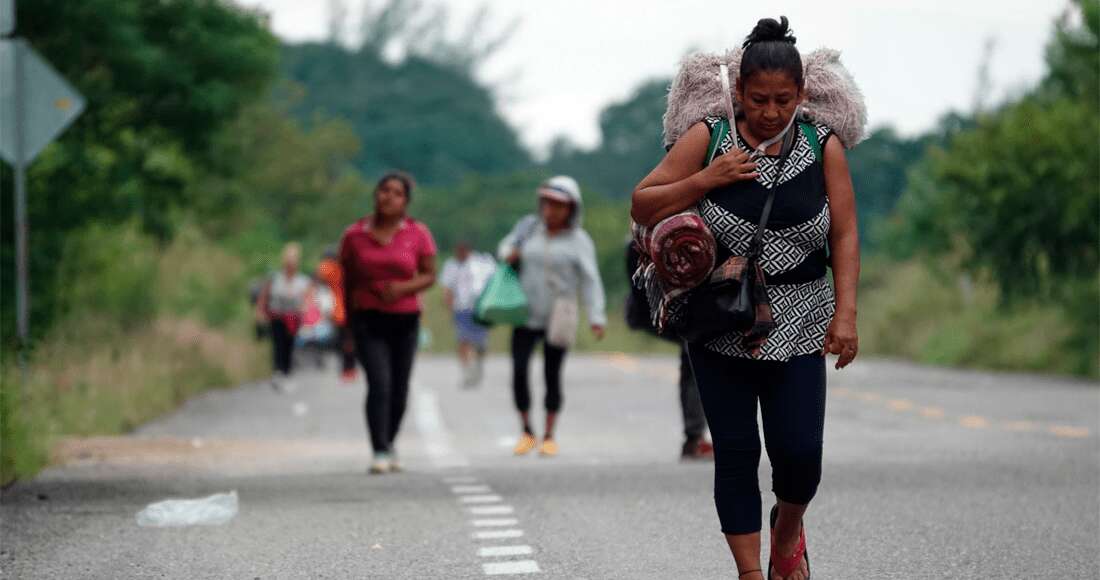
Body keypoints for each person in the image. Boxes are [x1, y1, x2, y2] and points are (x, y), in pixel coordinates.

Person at [631, 17, 860, 580]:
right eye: (758, 99)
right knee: (735, 453)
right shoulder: (709, 137)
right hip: (719, 320)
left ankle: (788, 529)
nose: (771, 112)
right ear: (738, 92)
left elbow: (845, 233)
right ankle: (751, 572)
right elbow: (643, 202)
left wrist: (846, 313)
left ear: (802, 95)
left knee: (800, 456)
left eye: (784, 100)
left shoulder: (821, 146)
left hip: (802, 319)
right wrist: (707, 179)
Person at [498, 175, 607, 457]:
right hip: (525, 312)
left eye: (558, 205)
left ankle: (549, 434)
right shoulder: (529, 229)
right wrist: (511, 252)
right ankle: (526, 431)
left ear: (571, 209)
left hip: (560, 313)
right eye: (547, 203)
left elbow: (590, 280)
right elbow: (503, 250)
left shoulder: (579, 240)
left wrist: (597, 315)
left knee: (551, 373)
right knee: (519, 371)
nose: (551, 210)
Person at [340, 171, 438, 475]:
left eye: (397, 193)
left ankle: (391, 441)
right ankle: (379, 448)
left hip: (405, 319)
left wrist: (402, 289)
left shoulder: (417, 234)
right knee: (379, 383)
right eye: (384, 190)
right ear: (375, 194)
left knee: (399, 387)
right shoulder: (354, 236)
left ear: (406, 202)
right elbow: (347, 280)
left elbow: (429, 274)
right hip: (368, 319)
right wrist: (347, 325)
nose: (389, 197)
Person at [624, 240, 713, 461]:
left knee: (693, 365)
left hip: (683, 308)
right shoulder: (655, 239)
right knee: (695, 367)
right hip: (688, 308)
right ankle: (695, 437)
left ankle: (695, 437)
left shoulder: (642, 240)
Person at [255, 242, 314, 392]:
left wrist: (307, 317)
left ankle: (287, 373)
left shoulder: (303, 281)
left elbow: (308, 300)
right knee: (278, 344)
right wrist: (261, 313)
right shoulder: (274, 278)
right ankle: (278, 372)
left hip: (294, 319)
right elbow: (264, 297)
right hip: (277, 317)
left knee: (289, 345)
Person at [440, 241, 495, 388]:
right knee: (463, 340)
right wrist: (450, 307)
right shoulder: (451, 266)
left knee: (480, 343)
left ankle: (478, 365)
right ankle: (466, 371)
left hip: (479, 308)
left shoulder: (482, 263)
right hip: (461, 308)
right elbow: (447, 288)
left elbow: (492, 283)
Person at [317, 247, 357, 382]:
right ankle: (349, 368)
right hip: (348, 311)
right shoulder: (348, 269)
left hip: (342, 312)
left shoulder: (334, 270)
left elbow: (321, 272)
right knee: (348, 341)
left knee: (345, 342)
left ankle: (348, 368)